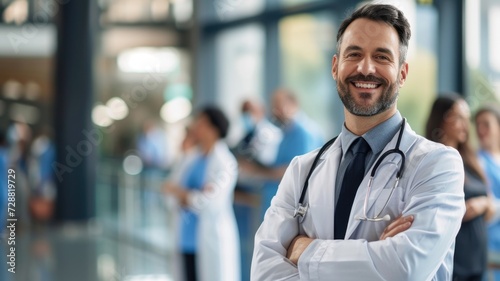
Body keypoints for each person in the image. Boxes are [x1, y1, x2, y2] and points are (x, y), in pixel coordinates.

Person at [251, 4, 465, 281]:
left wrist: (306, 250)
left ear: (402, 73)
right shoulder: (302, 169)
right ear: (335, 66)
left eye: (382, 56)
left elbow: (405, 267)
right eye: (354, 54)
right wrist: (375, 254)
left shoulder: (437, 165)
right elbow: (264, 272)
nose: (366, 68)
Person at [163, 106, 240, 281]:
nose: (196, 126)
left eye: (202, 123)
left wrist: (182, 195)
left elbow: (209, 203)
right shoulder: (190, 158)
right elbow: (168, 190)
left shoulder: (225, 163)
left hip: (210, 238)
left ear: (215, 129)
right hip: (185, 239)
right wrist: (188, 196)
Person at [426, 94, 494, 281]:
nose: (465, 124)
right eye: (458, 118)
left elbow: (489, 208)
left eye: (467, 118)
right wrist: (466, 209)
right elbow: (430, 213)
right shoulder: (432, 161)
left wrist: (484, 204)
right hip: (454, 263)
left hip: (478, 263)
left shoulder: (471, 161)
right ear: (441, 119)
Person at [239, 89, 320, 219]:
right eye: (273, 106)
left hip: (294, 208)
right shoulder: (286, 132)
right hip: (276, 204)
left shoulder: (304, 134)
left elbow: (299, 171)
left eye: (278, 106)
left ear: (293, 104)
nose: (275, 111)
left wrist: (257, 172)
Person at [474, 104, 500, 279]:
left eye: (486, 124)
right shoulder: (477, 162)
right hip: (489, 250)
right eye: (477, 125)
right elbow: (488, 210)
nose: (481, 130)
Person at [233, 99, 283, 167]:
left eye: (251, 111)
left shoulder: (272, 133)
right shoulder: (247, 132)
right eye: (244, 112)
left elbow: (266, 161)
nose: (247, 115)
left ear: (261, 111)